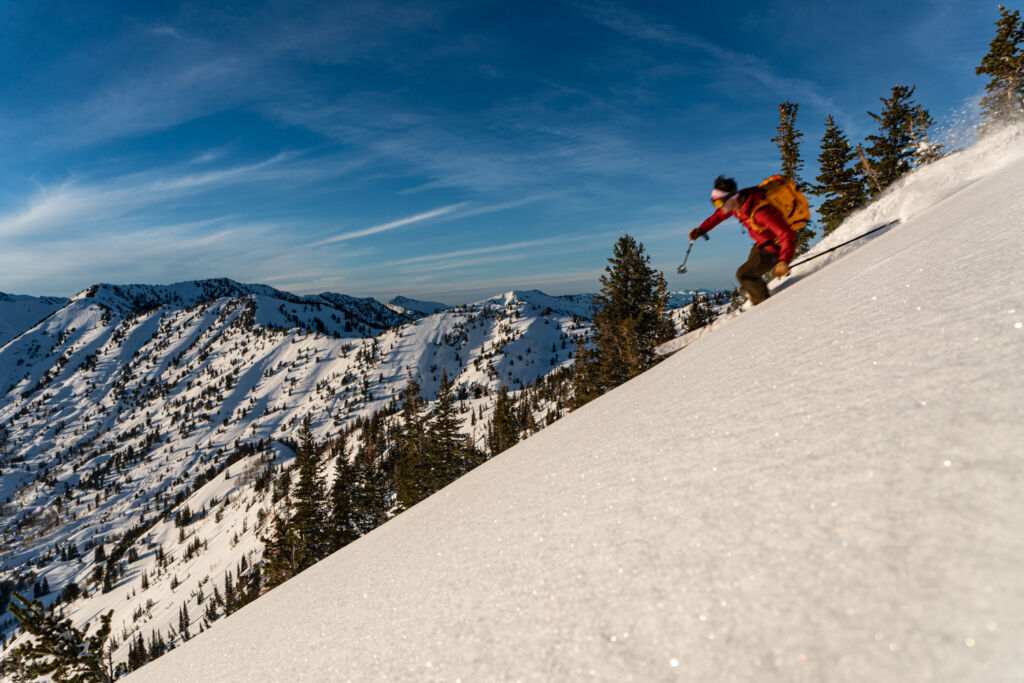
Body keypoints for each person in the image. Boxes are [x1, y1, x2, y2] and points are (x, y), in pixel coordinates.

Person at [689, 176, 796, 306]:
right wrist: (701, 230)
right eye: (715, 203)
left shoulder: (760, 212)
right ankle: (757, 296)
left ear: (731, 198)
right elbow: (718, 216)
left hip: (775, 248)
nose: (719, 207)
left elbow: (787, 234)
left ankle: (764, 305)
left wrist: (784, 260)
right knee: (749, 271)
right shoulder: (737, 204)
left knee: (744, 274)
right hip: (762, 244)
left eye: (718, 203)